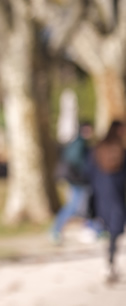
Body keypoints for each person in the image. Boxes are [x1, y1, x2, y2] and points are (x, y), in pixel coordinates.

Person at [85, 120, 126, 283]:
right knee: (115, 231)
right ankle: (110, 260)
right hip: (117, 195)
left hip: (102, 194)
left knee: (110, 230)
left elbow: (88, 171)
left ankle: (109, 261)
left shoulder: (96, 149)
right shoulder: (121, 151)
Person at [51, 122, 96, 244]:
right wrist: (87, 172)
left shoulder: (79, 142)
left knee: (82, 205)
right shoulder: (79, 143)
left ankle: (92, 228)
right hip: (77, 180)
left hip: (76, 179)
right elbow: (77, 162)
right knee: (74, 206)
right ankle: (55, 230)